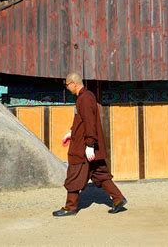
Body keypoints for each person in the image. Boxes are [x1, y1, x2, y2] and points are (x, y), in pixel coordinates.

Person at [52, 72, 127, 217]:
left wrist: (90, 145)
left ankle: (70, 207)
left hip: (83, 147)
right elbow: (81, 121)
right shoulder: (84, 97)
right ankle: (118, 199)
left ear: (73, 83)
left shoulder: (85, 98)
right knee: (100, 174)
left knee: (74, 173)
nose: (67, 88)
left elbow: (90, 123)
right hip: (85, 143)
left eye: (67, 85)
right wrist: (71, 133)